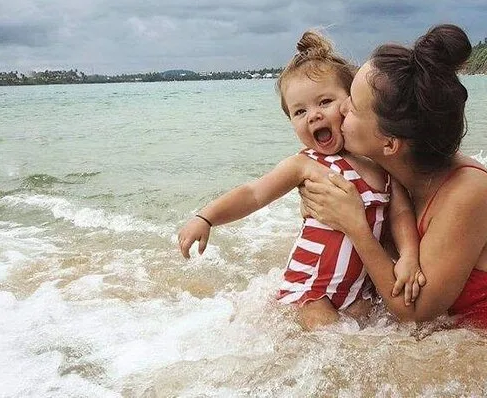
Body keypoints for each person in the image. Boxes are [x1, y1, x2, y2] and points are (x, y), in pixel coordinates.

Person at [300, 24, 487, 331]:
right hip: (476, 335)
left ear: (389, 144)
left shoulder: (467, 193)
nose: (342, 108)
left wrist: (355, 226)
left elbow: (414, 310)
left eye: (354, 107)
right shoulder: (397, 171)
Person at [177, 30, 425, 330]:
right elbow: (254, 193)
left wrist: (409, 256)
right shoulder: (305, 164)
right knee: (330, 338)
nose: (313, 115)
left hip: (358, 291)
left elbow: (400, 214)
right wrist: (206, 217)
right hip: (311, 290)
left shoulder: (381, 165)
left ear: (350, 103)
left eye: (325, 101)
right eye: (299, 111)